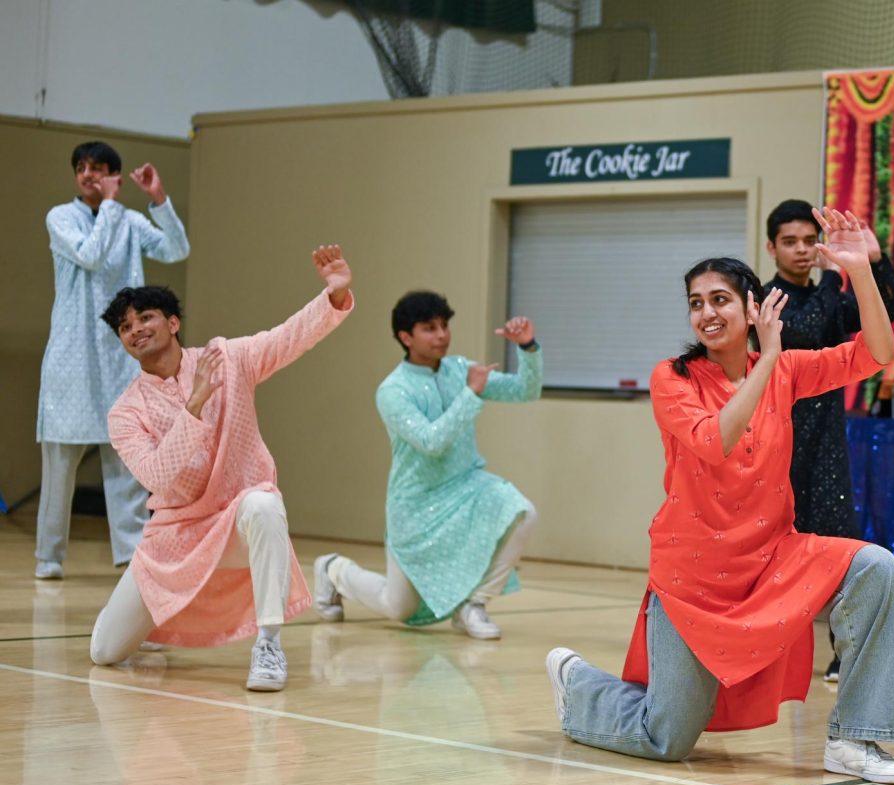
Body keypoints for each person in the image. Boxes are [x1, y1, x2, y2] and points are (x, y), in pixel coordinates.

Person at [546, 208, 894, 784]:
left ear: (752, 307)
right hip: (693, 579)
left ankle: (856, 739)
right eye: (696, 302)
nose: (707, 313)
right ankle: (580, 687)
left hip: (771, 560)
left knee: (877, 568)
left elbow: (878, 353)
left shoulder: (787, 370)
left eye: (719, 299)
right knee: (666, 738)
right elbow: (714, 442)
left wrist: (861, 272)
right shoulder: (674, 377)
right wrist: (767, 357)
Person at [89, 245, 354, 691]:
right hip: (174, 541)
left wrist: (334, 297)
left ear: (173, 323)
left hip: (234, 525)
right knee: (104, 652)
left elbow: (287, 337)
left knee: (265, 505)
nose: (135, 330)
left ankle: (268, 646)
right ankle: (154, 626)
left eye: (145, 318)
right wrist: (194, 405)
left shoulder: (228, 358)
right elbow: (157, 477)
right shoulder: (125, 412)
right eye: (125, 327)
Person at [312, 291, 541, 640]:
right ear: (406, 337)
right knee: (398, 607)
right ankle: (334, 570)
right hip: (416, 504)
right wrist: (470, 395)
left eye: (445, 326)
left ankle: (473, 606)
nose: (442, 335)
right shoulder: (393, 391)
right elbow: (432, 443)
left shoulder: (461, 370)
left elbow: (526, 391)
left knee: (522, 511)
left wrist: (527, 347)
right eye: (429, 328)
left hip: (467, 487)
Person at [35, 141, 190, 580]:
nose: (88, 174)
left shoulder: (126, 218)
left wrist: (159, 200)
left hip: (118, 353)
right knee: (61, 464)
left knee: (125, 459)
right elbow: (90, 254)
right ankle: (50, 556)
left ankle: (130, 552)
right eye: (81, 167)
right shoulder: (60, 217)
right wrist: (110, 207)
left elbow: (175, 249)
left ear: (114, 175)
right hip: (72, 355)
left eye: (98, 168)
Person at [765, 199, 894, 682]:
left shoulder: (832, 297)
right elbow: (803, 331)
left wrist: (872, 261)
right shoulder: (767, 301)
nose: (802, 250)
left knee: (839, 551)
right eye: (790, 242)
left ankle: (843, 655)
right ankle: (767, 652)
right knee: (774, 551)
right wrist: (831, 277)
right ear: (772, 248)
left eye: (809, 240)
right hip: (777, 442)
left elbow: (888, 310)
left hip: (826, 446)